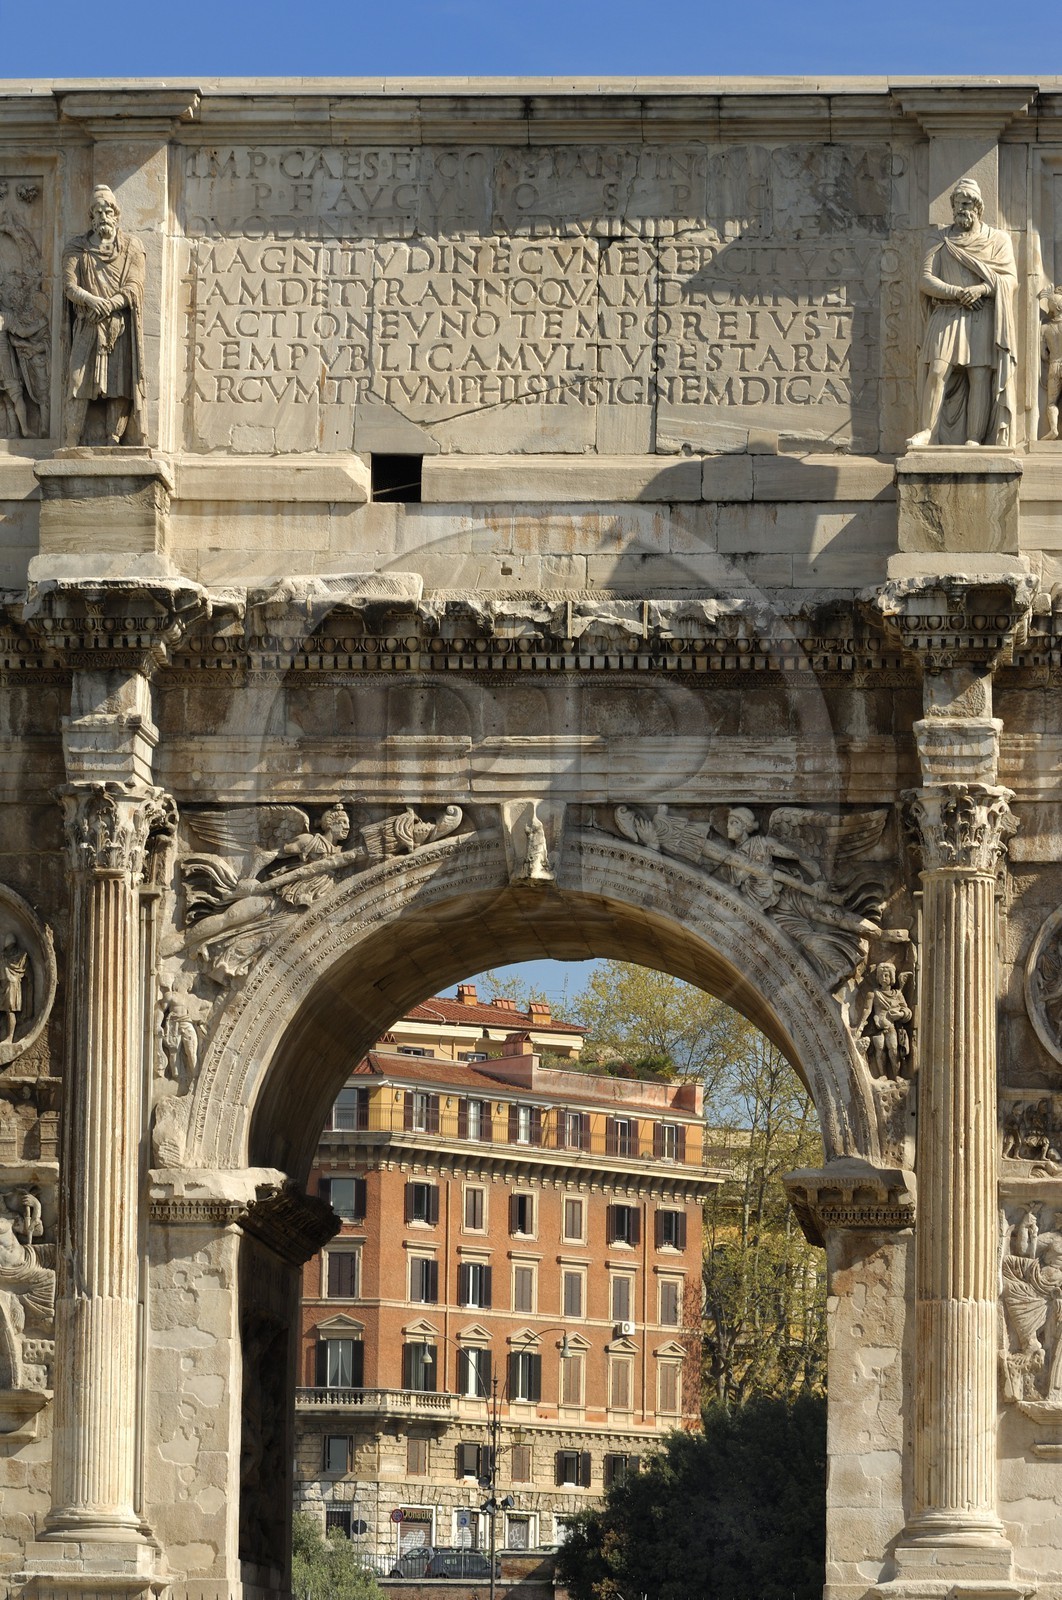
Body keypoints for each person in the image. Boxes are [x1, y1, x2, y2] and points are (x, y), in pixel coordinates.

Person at [907, 178, 1017, 449]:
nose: (961, 209)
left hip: (982, 315)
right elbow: (925, 280)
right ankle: (926, 431)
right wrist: (957, 292)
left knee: (979, 376)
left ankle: (974, 438)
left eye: (966, 204)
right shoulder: (939, 238)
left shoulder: (997, 240)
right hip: (945, 314)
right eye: (957, 204)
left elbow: (1010, 280)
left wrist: (980, 289)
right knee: (937, 371)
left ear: (978, 207)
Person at [62, 184, 145, 446]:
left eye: (108, 210)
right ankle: (72, 440)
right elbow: (69, 285)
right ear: (91, 217)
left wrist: (109, 305)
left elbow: (134, 286)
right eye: (98, 212)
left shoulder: (132, 247)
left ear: (117, 215)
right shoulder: (77, 247)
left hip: (117, 325)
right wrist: (92, 300)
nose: (103, 216)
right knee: (77, 382)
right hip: (88, 323)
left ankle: (114, 438)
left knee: (119, 384)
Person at [1042, 291, 1062, 440]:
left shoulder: (1045, 328)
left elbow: (1043, 354)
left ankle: (1054, 429)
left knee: (1051, 402)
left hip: (1054, 365)